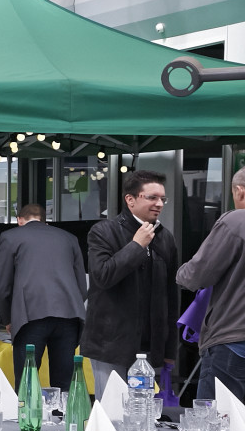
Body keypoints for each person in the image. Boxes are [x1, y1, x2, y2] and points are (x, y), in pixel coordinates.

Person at [84, 170, 179, 398]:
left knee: (142, 415)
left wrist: (169, 349)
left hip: (150, 346)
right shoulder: (103, 231)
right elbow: (103, 276)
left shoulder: (165, 237)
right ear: (130, 199)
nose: (159, 204)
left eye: (162, 199)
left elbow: (171, 295)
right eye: (152, 197)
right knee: (111, 413)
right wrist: (137, 246)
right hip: (111, 345)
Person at [0, 203, 86, 391]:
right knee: (65, 385)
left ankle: (28, 420)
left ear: (20, 220)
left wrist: (8, 319)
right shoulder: (70, 238)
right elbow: (81, 285)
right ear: (45, 221)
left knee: (28, 382)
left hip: (30, 316)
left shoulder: (10, 237)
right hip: (69, 316)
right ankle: (64, 418)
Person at [177, 168, 245, 403]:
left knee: (216, 429)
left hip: (233, 340)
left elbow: (197, 275)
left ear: (240, 191)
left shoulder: (236, 221)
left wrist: (179, 273)